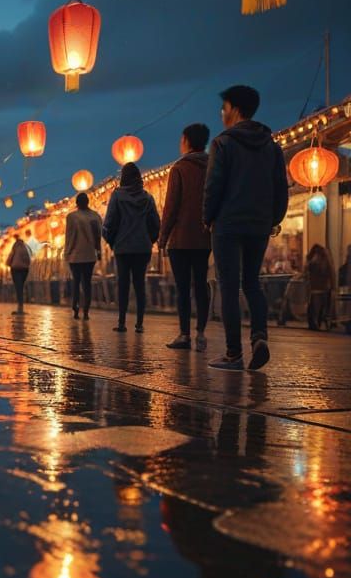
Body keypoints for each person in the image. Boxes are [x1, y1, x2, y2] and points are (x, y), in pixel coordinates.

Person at [203, 84, 288, 370]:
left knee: (229, 286)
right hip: (260, 224)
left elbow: (213, 186)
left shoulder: (222, 143)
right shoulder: (272, 146)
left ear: (235, 110)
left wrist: (208, 217)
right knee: (252, 283)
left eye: (224, 107)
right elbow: (281, 187)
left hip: (227, 223)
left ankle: (233, 353)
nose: (222, 113)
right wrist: (274, 219)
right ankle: (259, 337)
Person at [158, 123, 212, 351]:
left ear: (187, 141)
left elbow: (171, 206)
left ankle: (184, 334)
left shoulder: (179, 168)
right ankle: (201, 333)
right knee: (200, 283)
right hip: (204, 236)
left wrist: (163, 237)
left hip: (180, 239)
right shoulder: (213, 166)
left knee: (182, 288)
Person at [102, 162, 160, 333]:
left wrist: (112, 242)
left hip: (123, 248)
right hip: (142, 247)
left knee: (123, 284)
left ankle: (121, 322)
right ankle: (140, 323)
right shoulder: (148, 198)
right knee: (140, 284)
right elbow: (155, 224)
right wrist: (149, 240)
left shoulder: (117, 196)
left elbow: (110, 223)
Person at [64, 192, 102, 320]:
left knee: (76, 281)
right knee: (87, 283)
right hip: (90, 254)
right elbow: (98, 236)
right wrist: (99, 251)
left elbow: (69, 236)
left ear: (77, 203)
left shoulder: (72, 217)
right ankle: (86, 310)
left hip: (75, 254)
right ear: (88, 202)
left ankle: (75, 308)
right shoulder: (95, 216)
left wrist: (67, 252)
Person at [306, 244, 335, 330]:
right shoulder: (324, 260)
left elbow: (307, 272)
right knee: (322, 306)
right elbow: (331, 273)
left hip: (316, 287)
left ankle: (316, 322)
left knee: (316, 306)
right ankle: (320, 322)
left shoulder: (313, 261)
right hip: (323, 287)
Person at [6, 234, 31, 314]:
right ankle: (21, 305)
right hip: (24, 269)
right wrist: (26, 266)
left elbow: (11, 255)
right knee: (21, 286)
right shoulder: (26, 247)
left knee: (18, 287)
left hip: (15, 269)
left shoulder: (15, 246)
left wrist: (8, 263)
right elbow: (28, 259)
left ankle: (20, 306)